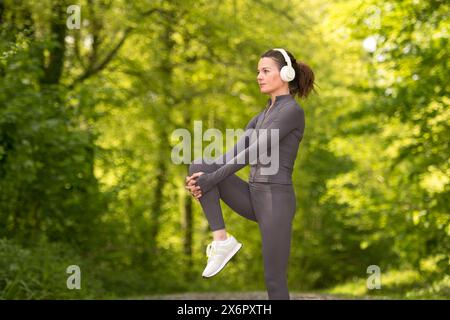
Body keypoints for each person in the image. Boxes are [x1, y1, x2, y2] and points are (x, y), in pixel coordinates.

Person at [185, 48, 316, 300]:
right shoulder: (260, 117)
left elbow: (252, 153)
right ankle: (222, 240)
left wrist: (211, 180)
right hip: (252, 194)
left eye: (265, 71)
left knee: (274, 279)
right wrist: (199, 180)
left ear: (286, 74)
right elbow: (229, 157)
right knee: (199, 165)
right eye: (258, 71)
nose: (259, 76)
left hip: (275, 202)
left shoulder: (292, 112)